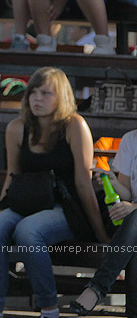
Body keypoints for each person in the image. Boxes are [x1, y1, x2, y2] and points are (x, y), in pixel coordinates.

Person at [0, 67, 108, 318]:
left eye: (46, 93)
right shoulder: (17, 128)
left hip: (65, 208)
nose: (37, 98)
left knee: (28, 231)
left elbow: (84, 183)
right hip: (25, 203)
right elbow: (12, 176)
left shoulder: (74, 125)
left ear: (61, 96)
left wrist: (100, 234)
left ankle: (49, 309)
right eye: (33, 92)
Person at [69, 128, 137, 316]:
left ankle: (97, 287)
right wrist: (113, 182)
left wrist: (133, 208)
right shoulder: (131, 140)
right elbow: (128, 193)